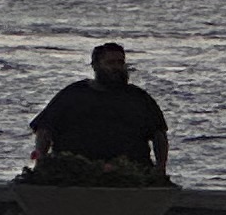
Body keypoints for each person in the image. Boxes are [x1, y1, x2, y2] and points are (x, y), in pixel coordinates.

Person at [32, 43, 169, 176]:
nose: (116, 67)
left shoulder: (139, 98)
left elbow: (159, 134)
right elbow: (44, 128)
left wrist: (160, 167)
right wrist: (40, 161)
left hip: (129, 169)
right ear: (95, 66)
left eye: (120, 62)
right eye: (110, 63)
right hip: (74, 169)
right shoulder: (73, 94)